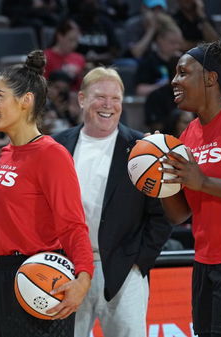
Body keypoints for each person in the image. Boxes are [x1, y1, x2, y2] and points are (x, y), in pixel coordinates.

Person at [0, 49, 94, 337]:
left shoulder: (51, 154)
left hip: (35, 276)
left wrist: (83, 278)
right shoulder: (5, 153)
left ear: (25, 101)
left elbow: (72, 223)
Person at [53, 66, 172, 337]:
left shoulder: (144, 148)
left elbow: (161, 213)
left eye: (115, 98)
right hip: (67, 267)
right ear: (82, 99)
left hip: (124, 268)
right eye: (100, 97)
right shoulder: (57, 145)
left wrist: (140, 262)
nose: (108, 105)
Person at [161, 17, 221, 337]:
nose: (174, 80)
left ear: (210, 78)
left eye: (183, 72)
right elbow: (180, 215)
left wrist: (203, 182)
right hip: (204, 262)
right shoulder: (189, 133)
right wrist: (156, 180)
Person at [135, 21, 184, 96]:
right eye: (172, 43)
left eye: (179, 43)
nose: (176, 47)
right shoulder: (148, 61)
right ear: (160, 40)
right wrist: (165, 86)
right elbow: (140, 90)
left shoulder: (183, 62)